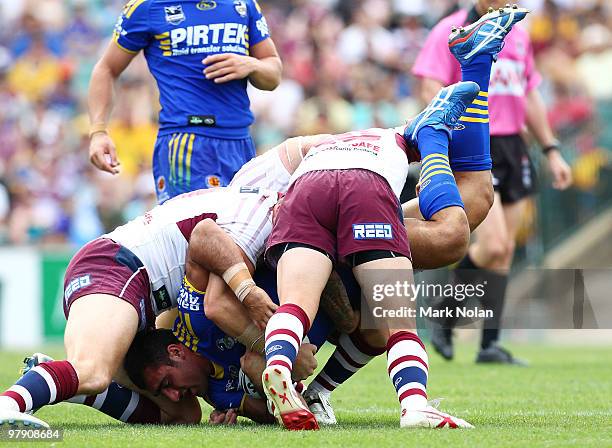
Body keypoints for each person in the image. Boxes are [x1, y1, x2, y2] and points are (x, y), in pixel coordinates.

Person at [0, 187, 280, 429]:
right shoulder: (254, 209)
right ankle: (8, 405)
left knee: (183, 414)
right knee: (93, 371)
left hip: (136, 293)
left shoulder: (252, 207)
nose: (173, 393)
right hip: (116, 266)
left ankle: (56, 378)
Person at [412, 0, 573, 364]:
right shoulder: (450, 29)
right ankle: (443, 314)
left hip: (513, 144)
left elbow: (527, 92)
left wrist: (550, 148)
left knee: (504, 252)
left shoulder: (519, 33)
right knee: (494, 244)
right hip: (474, 142)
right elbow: (430, 89)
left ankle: (488, 344)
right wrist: (442, 141)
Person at [88, 0, 282, 203]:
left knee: (244, 229)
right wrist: (98, 132)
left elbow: (273, 73)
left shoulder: (242, 5)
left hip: (240, 141)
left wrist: (252, 65)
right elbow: (106, 69)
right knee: (201, 230)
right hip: (187, 144)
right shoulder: (148, 7)